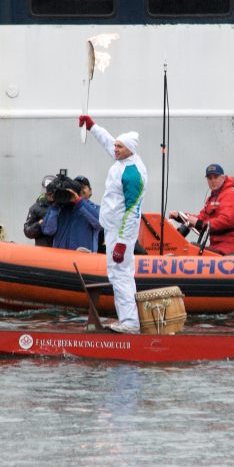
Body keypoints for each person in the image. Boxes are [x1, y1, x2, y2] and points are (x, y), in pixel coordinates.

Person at [79, 114, 147, 334]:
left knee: (121, 275)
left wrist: (123, 244)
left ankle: (130, 323)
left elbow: (133, 212)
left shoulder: (132, 174)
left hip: (120, 232)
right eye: (116, 146)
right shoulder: (124, 160)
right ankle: (128, 319)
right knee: (119, 274)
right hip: (112, 229)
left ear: (129, 149)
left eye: (120, 146)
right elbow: (109, 142)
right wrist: (93, 127)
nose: (115, 149)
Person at [170, 163, 234, 255]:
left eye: (215, 177)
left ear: (223, 178)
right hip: (219, 243)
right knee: (194, 249)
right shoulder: (213, 197)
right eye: (209, 178)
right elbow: (202, 217)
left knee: (195, 251)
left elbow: (226, 220)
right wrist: (180, 216)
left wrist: (200, 224)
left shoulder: (230, 194)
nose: (212, 181)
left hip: (233, 242)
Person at [41, 175, 102, 252]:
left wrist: (79, 201)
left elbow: (99, 223)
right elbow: (48, 230)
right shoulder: (61, 208)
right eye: (78, 188)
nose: (80, 190)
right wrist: (54, 205)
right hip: (60, 258)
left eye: (83, 187)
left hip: (83, 260)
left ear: (90, 191)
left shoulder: (96, 208)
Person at [23, 175, 56, 247]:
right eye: (47, 192)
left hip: (61, 251)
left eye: (51, 192)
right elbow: (27, 231)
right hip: (42, 251)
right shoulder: (35, 208)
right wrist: (39, 224)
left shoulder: (63, 207)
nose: (49, 195)